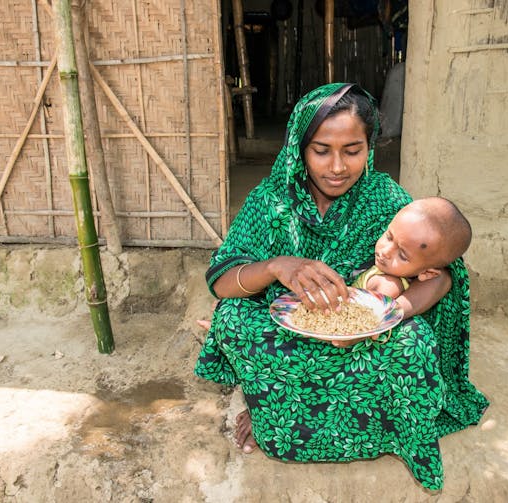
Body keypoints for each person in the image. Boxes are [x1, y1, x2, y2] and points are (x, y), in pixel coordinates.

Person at [194, 83, 488, 491]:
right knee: (232, 319)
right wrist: (277, 266)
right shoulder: (271, 202)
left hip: (362, 339)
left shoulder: (385, 198)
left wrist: (391, 314)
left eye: (352, 151)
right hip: (287, 333)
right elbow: (221, 281)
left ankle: (368, 426)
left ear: (370, 148)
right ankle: (272, 408)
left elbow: (445, 272)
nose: (336, 167)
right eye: (321, 150)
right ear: (300, 146)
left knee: (414, 341)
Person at [352, 197, 472, 306]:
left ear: (427, 273)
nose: (386, 251)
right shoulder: (385, 269)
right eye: (389, 237)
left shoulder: (388, 286)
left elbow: (366, 318)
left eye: (402, 256)